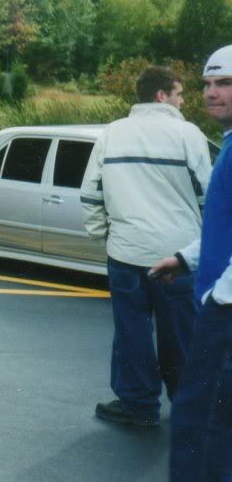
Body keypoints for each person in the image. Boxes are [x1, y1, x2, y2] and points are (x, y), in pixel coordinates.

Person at [80, 66, 212, 427]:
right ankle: (188, 406)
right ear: (161, 96)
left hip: (125, 253)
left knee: (131, 331)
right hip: (177, 256)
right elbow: (208, 196)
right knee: (180, 332)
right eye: (180, 95)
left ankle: (138, 405)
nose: (183, 101)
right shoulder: (189, 135)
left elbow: (91, 194)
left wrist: (103, 236)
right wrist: (202, 244)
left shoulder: (112, 134)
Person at [150, 45, 232, 480]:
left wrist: (221, 299)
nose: (211, 93)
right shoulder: (231, 144)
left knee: (198, 421)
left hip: (224, 314)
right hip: (218, 305)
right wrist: (186, 258)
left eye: (225, 83)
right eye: (206, 83)